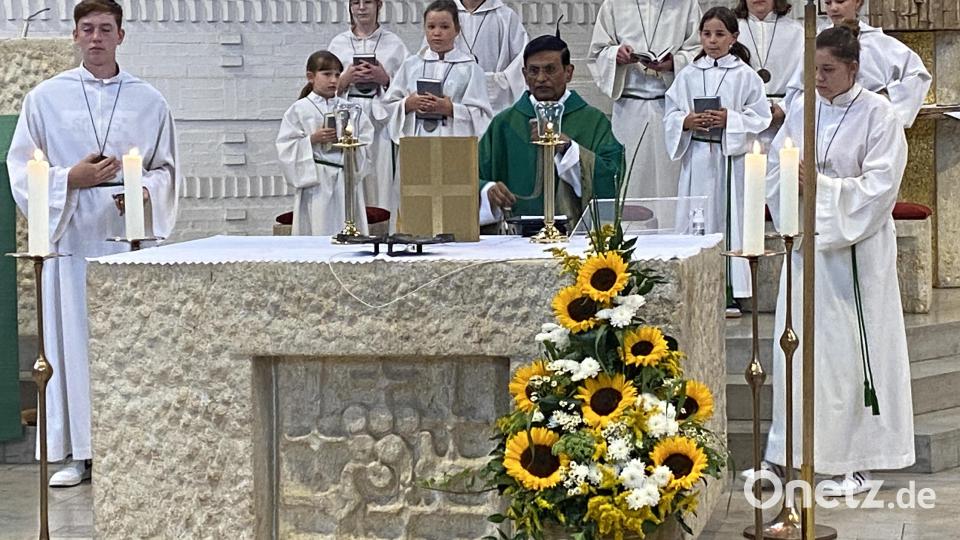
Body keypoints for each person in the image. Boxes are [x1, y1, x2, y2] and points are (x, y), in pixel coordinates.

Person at [6, 0, 179, 486]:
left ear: (122, 36)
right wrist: (70, 178)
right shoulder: (45, 98)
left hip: (126, 243)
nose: (97, 37)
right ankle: (74, 453)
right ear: (76, 36)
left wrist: (145, 192)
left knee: (127, 347)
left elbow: (168, 170)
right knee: (70, 346)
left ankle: (130, 448)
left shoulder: (150, 100)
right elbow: (21, 169)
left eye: (106, 29)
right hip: (71, 240)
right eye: (88, 29)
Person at [756, 25, 914, 496]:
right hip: (805, 246)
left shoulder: (880, 115)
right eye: (813, 70)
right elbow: (775, 165)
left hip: (855, 253)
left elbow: (880, 187)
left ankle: (856, 462)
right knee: (798, 348)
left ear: (853, 68)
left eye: (827, 70)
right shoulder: (804, 106)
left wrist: (820, 187)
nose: (818, 79)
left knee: (848, 357)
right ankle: (792, 454)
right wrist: (789, 176)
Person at [663, 6, 771, 317]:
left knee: (728, 220)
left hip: (729, 161)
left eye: (720, 34)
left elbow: (760, 116)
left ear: (734, 38)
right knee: (697, 218)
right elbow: (670, 114)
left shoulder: (745, 76)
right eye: (707, 34)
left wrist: (729, 119)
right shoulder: (688, 75)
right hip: (697, 157)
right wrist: (687, 121)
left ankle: (729, 292)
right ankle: (695, 286)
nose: (712, 40)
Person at [478, 33, 623, 231]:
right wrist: (487, 190)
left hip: (575, 239)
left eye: (550, 70)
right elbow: (469, 177)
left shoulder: (592, 121)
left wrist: (569, 150)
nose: (541, 78)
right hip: (513, 238)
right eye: (533, 71)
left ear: (568, 72)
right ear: (524, 74)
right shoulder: (504, 124)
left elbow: (612, 176)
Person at [588, 0, 702, 199]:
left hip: (670, 107)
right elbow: (597, 52)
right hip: (629, 109)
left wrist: (674, 62)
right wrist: (616, 54)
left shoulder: (686, 4)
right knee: (629, 182)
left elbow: (699, 50)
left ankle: (670, 228)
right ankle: (631, 229)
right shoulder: (614, 5)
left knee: (670, 182)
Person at [783, 0, 931, 128]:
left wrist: (890, 107)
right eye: (828, 3)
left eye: (840, 1)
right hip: (825, 121)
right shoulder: (817, 44)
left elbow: (918, 75)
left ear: (858, 2)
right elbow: (797, 89)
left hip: (869, 121)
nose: (833, 8)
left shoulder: (879, 42)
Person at [328, 0, 409, 230]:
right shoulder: (338, 43)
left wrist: (384, 78)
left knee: (381, 180)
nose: (361, 8)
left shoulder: (394, 44)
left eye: (367, 2)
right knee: (353, 178)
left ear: (379, 5)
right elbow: (326, 86)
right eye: (356, 2)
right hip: (349, 119)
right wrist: (344, 80)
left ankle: (384, 233)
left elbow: (407, 87)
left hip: (381, 121)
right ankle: (352, 229)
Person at [276, 51, 375, 235]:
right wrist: (312, 140)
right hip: (317, 181)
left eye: (337, 74)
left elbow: (367, 142)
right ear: (311, 77)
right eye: (327, 74)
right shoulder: (299, 109)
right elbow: (285, 147)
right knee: (319, 229)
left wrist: (352, 143)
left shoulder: (351, 108)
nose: (333, 80)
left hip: (346, 178)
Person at [378, 0, 492, 140]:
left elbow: (483, 117)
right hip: (416, 142)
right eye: (431, 27)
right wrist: (407, 104)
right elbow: (387, 107)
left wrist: (451, 109)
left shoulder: (471, 69)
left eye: (444, 27)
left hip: (454, 144)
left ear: (457, 29)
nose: (437, 33)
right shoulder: (411, 65)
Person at [735, 0, 803, 146]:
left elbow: (805, 80)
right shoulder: (732, 31)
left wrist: (783, 108)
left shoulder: (797, 32)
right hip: (744, 120)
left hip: (784, 122)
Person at [451, 0, 529, 113]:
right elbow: (431, 58)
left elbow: (521, 62)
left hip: (494, 102)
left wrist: (491, 83)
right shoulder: (446, 14)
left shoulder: (506, 16)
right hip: (454, 102)